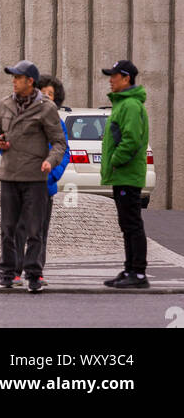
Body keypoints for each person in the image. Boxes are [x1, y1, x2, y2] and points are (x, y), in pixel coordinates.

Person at [0, 60, 66, 293]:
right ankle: (7, 273)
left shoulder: (46, 108)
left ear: (30, 81)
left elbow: (59, 143)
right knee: (8, 228)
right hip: (10, 175)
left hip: (35, 178)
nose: (13, 81)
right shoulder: (5, 104)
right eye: (12, 77)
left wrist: (49, 162)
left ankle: (34, 274)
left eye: (17, 77)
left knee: (34, 230)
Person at [12, 74, 70, 287]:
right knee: (20, 229)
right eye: (42, 93)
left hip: (46, 186)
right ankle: (16, 272)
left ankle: (36, 272)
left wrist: (53, 174)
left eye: (51, 95)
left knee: (40, 232)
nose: (46, 98)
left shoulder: (58, 123)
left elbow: (65, 152)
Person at [100, 59, 150, 289]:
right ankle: (130, 268)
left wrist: (114, 162)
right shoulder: (124, 104)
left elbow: (131, 140)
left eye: (114, 76)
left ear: (126, 78)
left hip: (127, 175)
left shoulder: (130, 105)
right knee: (127, 224)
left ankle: (138, 273)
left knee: (132, 224)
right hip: (123, 175)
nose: (110, 80)